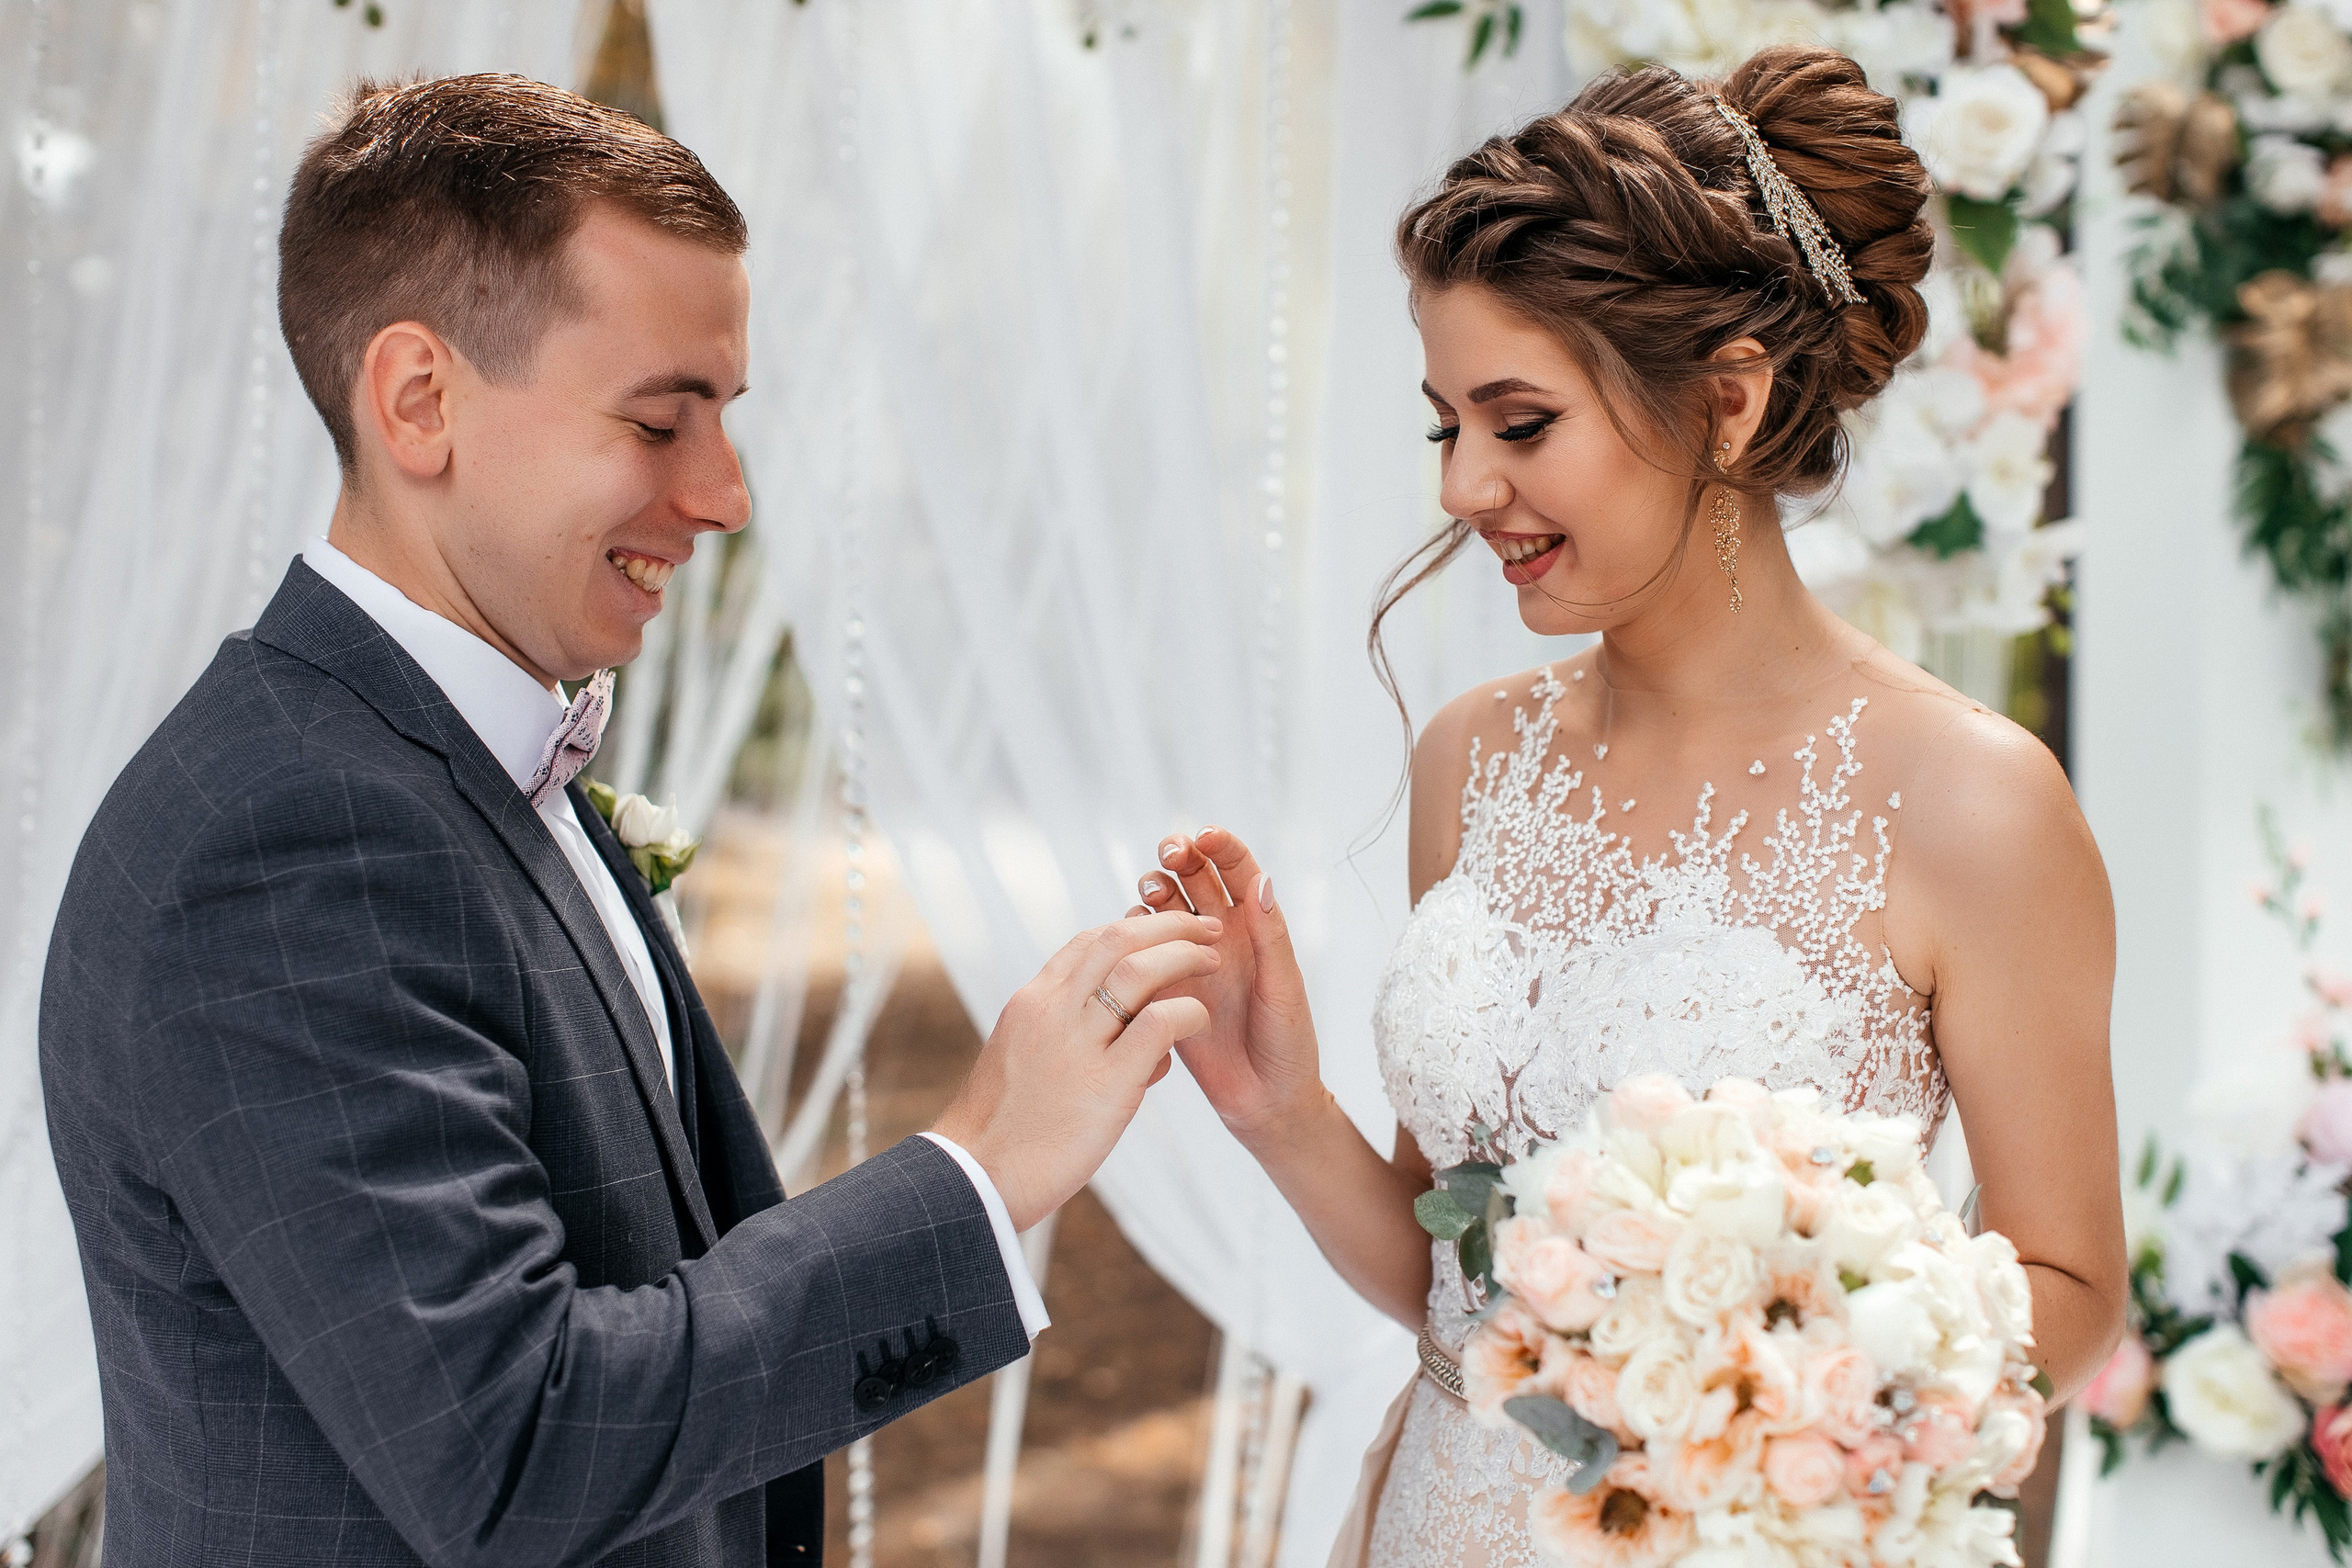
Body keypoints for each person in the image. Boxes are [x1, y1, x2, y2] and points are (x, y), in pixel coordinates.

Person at [39, 74, 1218, 1568]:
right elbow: (517, 1447)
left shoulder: (444, 757)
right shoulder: (287, 841)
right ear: (420, 400)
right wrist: (984, 1163)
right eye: (663, 422)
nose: (724, 495)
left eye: (723, 417)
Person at [1131, 46, 2127, 1565]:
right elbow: (1452, 1277)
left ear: (1728, 402)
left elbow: (2066, 1279)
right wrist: (1281, 1108)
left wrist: (1768, 1416)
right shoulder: (1475, 760)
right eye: (1444, 424)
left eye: (1519, 424)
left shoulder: (1970, 801)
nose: (1465, 488)